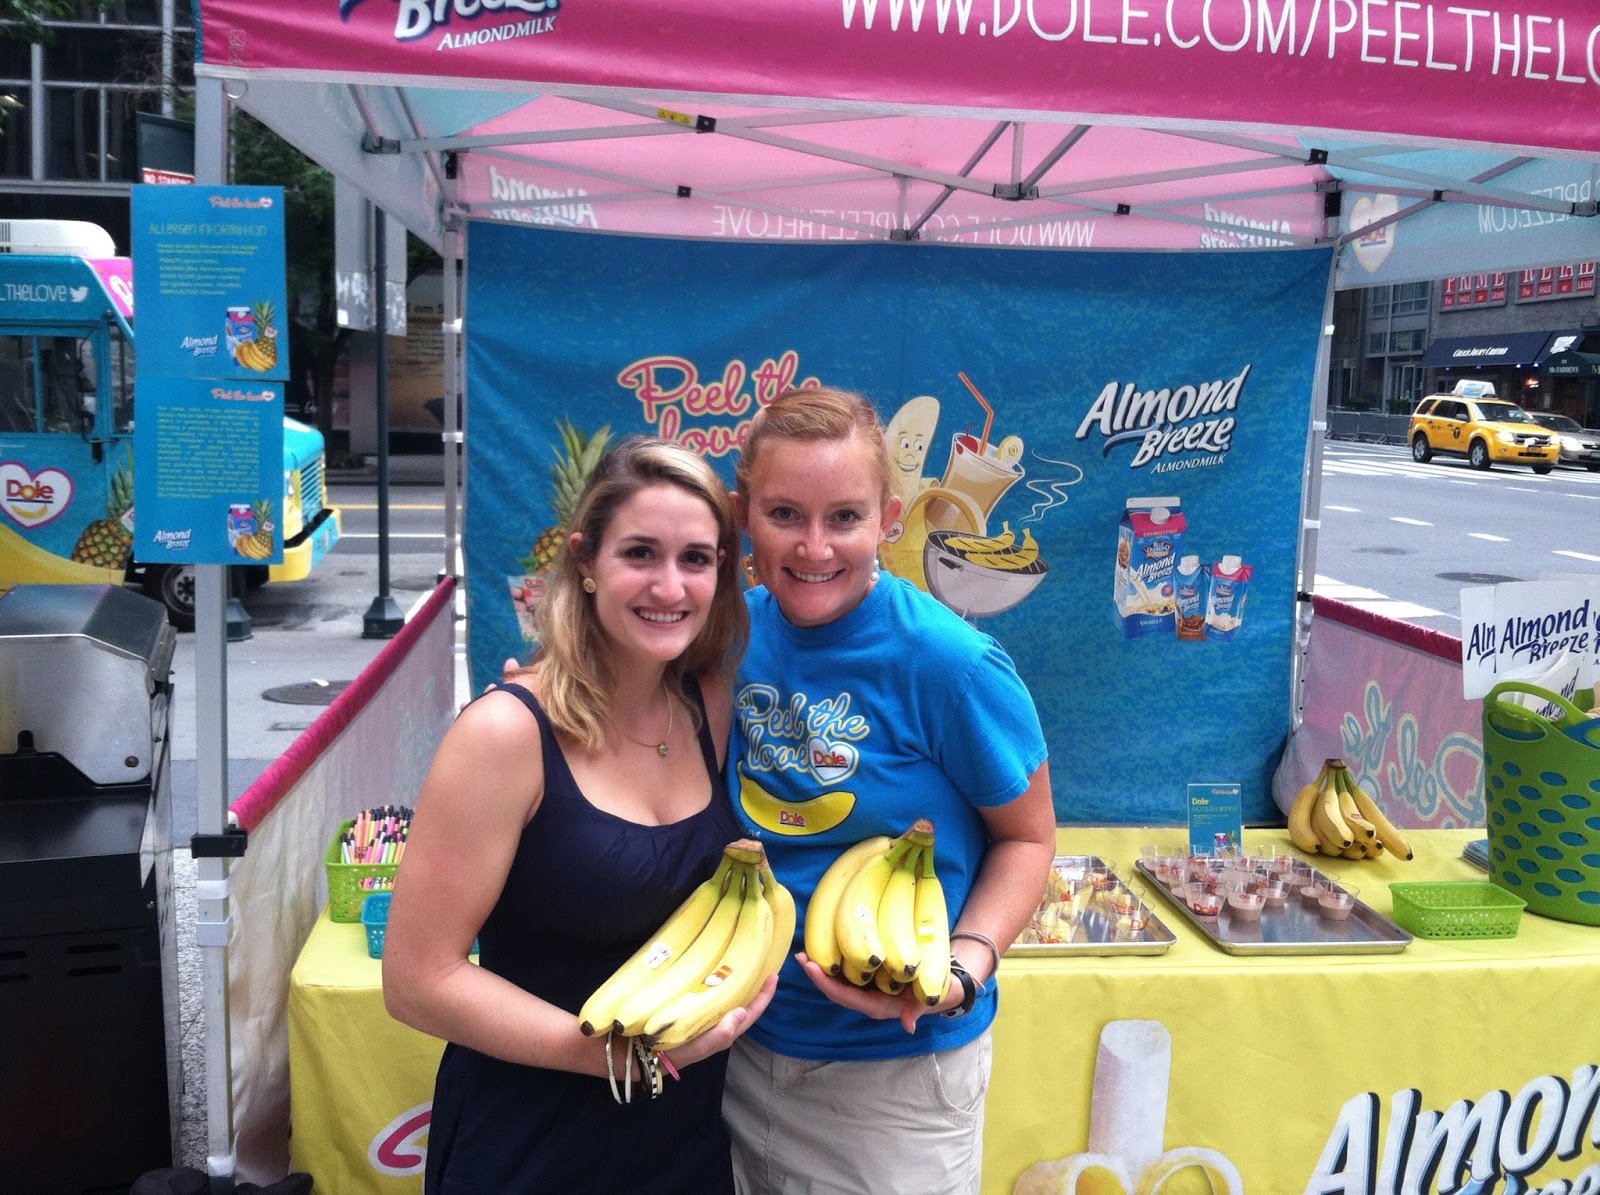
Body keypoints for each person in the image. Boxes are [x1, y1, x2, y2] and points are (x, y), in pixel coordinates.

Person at [383, 436, 772, 1193]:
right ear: (585, 560)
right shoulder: (506, 734)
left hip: (684, 1141)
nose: (670, 585)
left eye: (696, 558)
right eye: (640, 553)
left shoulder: (713, 710)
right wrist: (613, 1056)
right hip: (532, 1144)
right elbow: (417, 978)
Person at [723, 385, 1056, 1194]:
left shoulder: (950, 663)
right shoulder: (726, 635)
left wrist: (962, 971)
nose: (814, 546)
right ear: (743, 516)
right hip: (735, 1044)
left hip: (897, 1074)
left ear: (890, 520)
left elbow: (1028, 836)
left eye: (844, 516)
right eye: (784, 514)